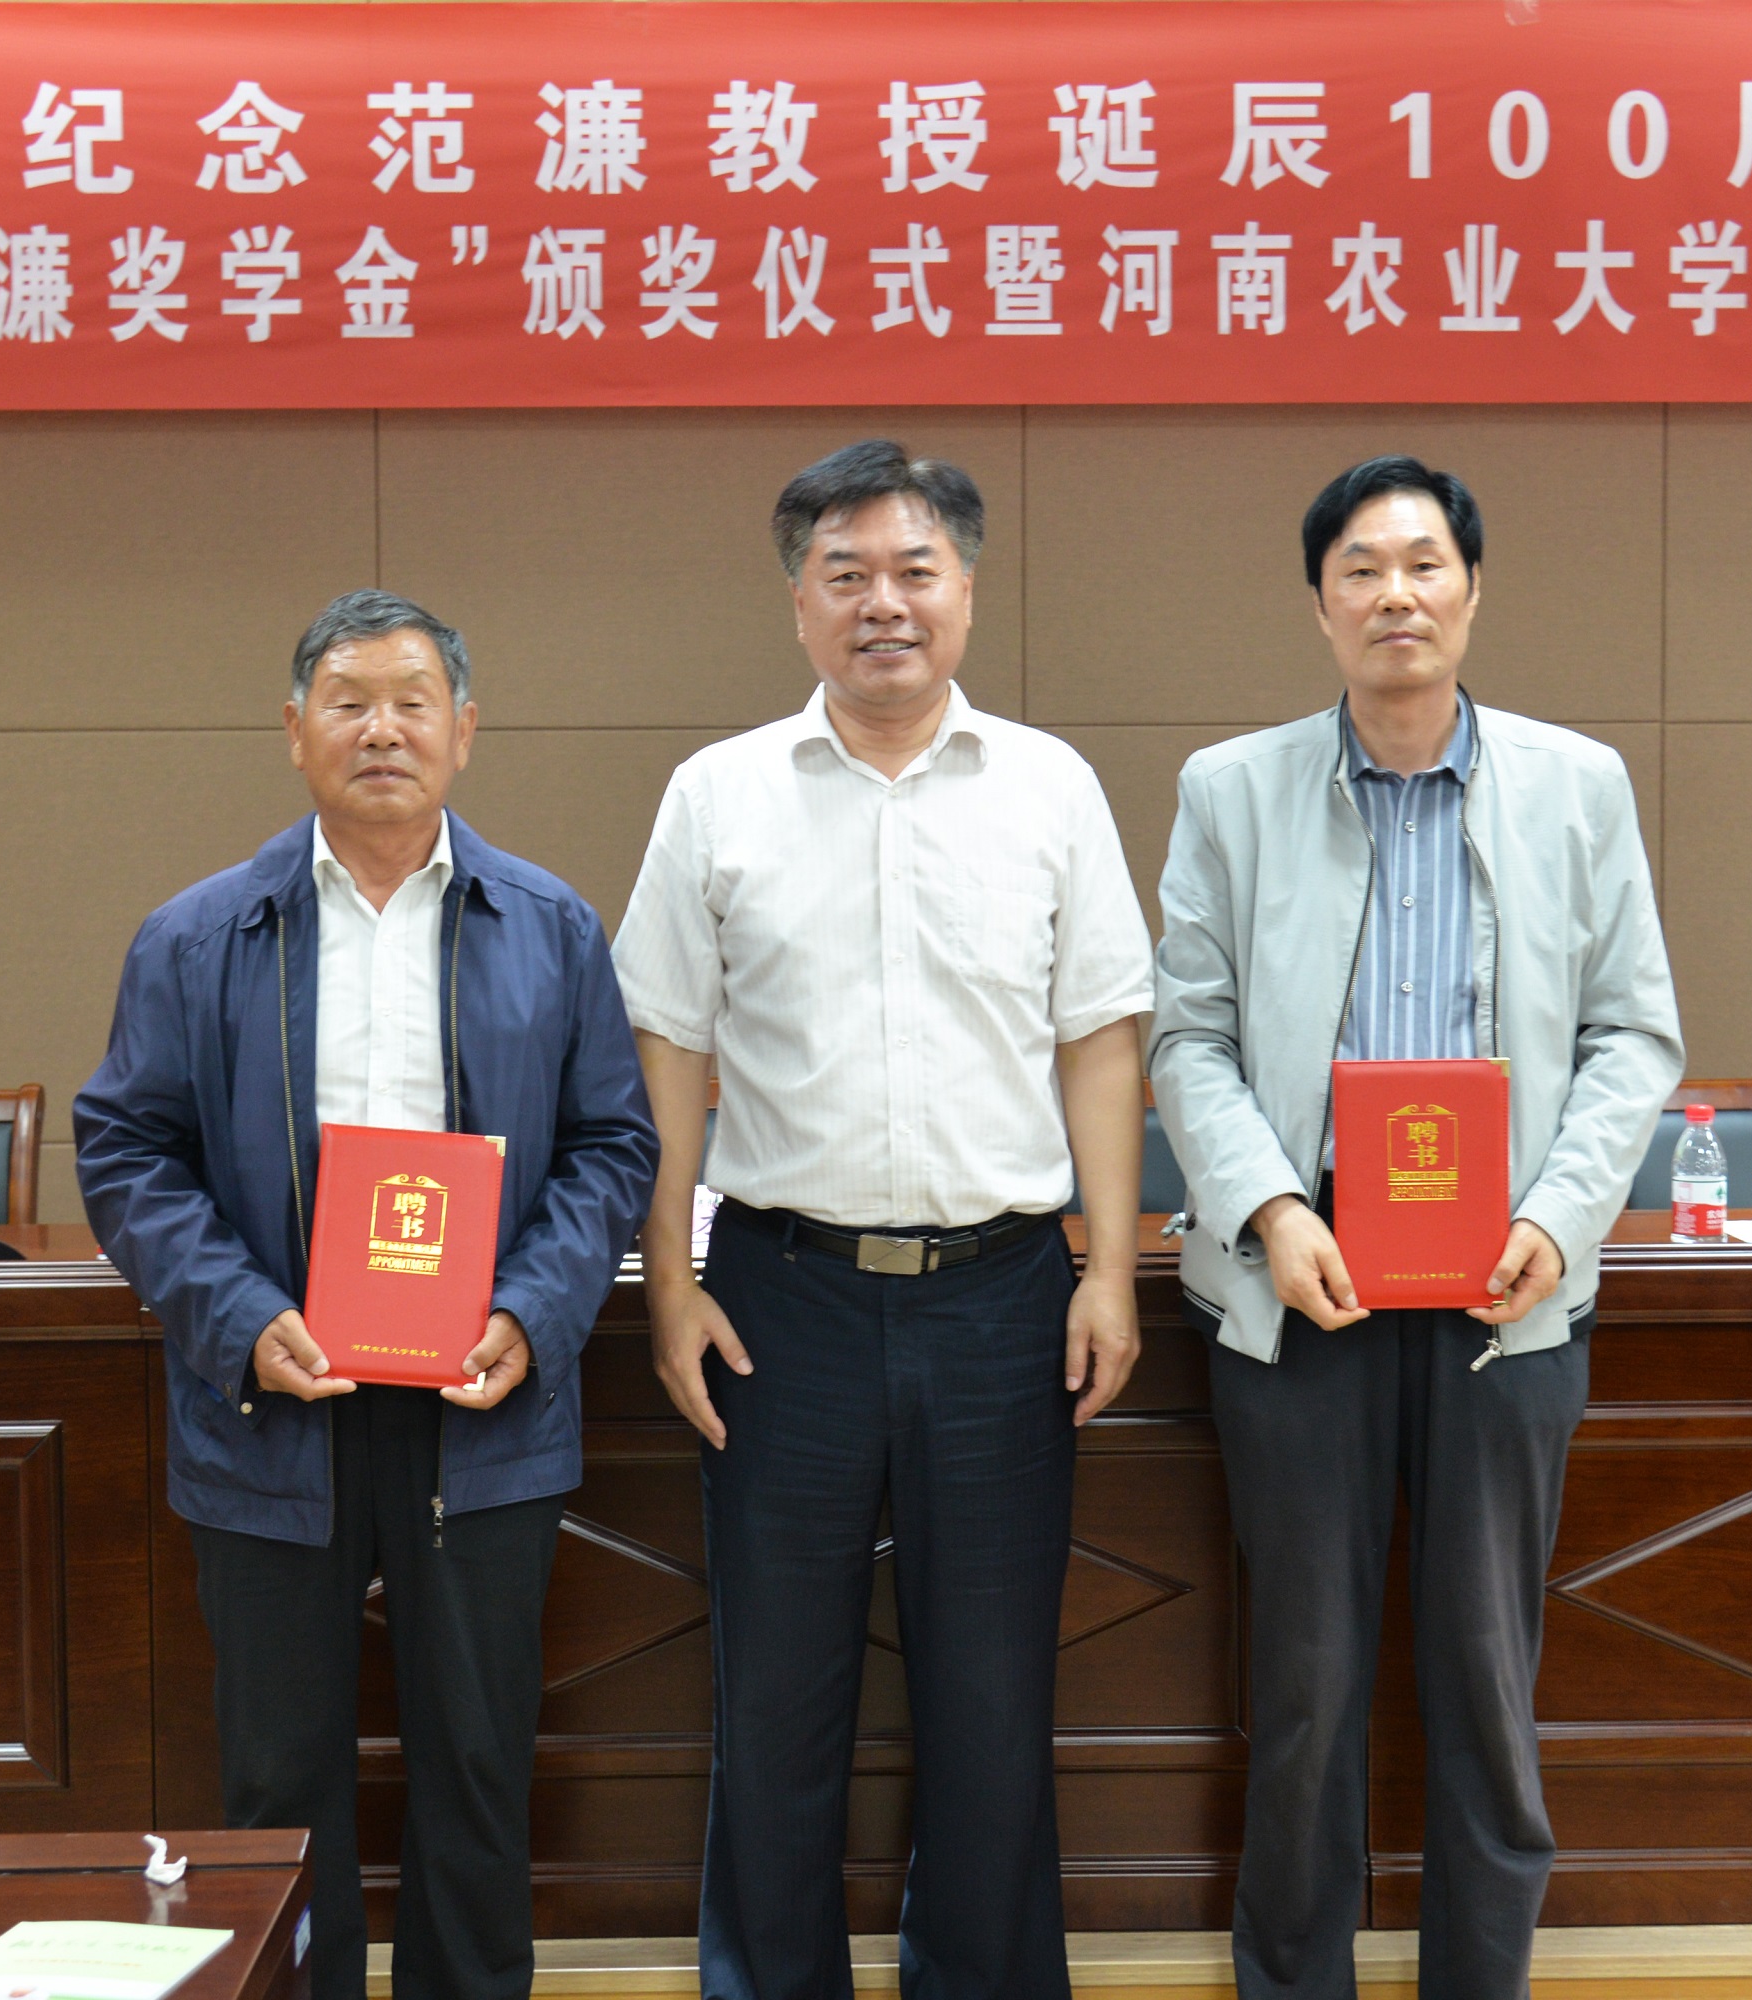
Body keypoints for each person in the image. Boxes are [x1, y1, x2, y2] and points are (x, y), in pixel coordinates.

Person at [611, 439, 1155, 2000]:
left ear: (966, 592)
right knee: (777, 1694)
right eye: (844, 575)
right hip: (780, 1294)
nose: (884, 605)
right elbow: (667, 1048)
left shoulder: (1049, 787)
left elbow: (1101, 1037)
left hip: (1002, 1295)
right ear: (799, 604)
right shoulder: (719, 795)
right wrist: (668, 1282)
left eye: (916, 570)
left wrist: (1111, 1269)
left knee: (991, 1696)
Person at [1149, 457, 1683, 2000]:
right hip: (1299, 1293)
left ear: (1472, 590)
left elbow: (1634, 1036)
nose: (1397, 594)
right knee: (1305, 1687)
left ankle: (1480, 1980)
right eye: (1363, 570)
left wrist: (1558, 1219)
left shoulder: (1577, 786)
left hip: (1506, 1296)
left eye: (1426, 564)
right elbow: (1186, 1037)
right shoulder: (1232, 791)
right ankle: (1292, 1980)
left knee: (1486, 1681)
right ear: (1320, 605)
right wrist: (1269, 1207)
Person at [74, 589, 655, 2000]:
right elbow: (126, 1148)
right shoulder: (199, 935)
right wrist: (238, 1319)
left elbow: (612, 1145)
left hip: (484, 1408)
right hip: (274, 1403)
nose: (381, 729)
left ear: (465, 729)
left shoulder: (551, 927)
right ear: (295, 731)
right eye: (348, 702)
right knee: (277, 1777)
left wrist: (533, 1313)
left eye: (411, 702)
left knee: (477, 1761)